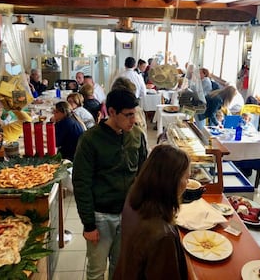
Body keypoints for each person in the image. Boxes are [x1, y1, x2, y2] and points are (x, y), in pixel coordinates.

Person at [72, 89, 148, 280]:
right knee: (97, 270)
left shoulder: (137, 135)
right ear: (112, 112)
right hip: (101, 217)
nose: (133, 119)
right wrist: (89, 225)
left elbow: (143, 174)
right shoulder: (90, 140)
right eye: (128, 115)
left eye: (135, 113)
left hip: (128, 214)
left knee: (120, 267)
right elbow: (81, 183)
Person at [114, 144, 190, 279]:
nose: (188, 183)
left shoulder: (134, 196)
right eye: (186, 178)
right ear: (172, 182)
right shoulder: (163, 236)